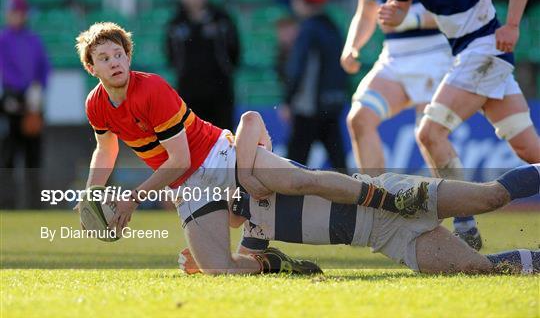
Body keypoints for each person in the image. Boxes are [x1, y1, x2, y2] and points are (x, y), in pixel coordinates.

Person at [75, 22, 427, 275]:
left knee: (305, 182)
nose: (115, 62)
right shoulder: (96, 104)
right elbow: (105, 150)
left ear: (128, 57)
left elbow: (180, 158)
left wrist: (133, 198)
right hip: (187, 183)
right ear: (92, 68)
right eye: (104, 58)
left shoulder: (151, 90)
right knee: (216, 266)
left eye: (119, 54)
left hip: (218, 155)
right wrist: (92, 193)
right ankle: (270, 261)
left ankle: (385, 196)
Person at [179, 113, 540, 276]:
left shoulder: (257, 170)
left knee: (491, 197)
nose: (221, 217)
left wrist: (241, 176)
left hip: (390, 195)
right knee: (476, 268)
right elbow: (239, 266)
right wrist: (206, 260)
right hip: (384, 236)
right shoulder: (254, 234)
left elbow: (250, 120)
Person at [378, 0, 540, 246]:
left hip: (485, 51)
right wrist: (394, 15)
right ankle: (465, 227)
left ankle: (465, 230)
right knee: (530, 150)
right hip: (475, 55)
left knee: (430, 133)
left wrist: (512, 25)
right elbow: (398, 8)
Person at [341, 0, 482, 249]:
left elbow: (456, 10)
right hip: (394, 59)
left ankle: (464, 218)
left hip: (435, 56)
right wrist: (352, 46)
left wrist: (408, 18)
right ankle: (379, 208)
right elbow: (367, 12)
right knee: (360, 119)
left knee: (429, 135)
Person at [281, 0, 348, 170]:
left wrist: (288, 99)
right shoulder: (333, 28)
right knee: (339, 162)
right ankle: (353, 197)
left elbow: (298, 68)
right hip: (332, 104)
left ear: (302, 2)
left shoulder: (308, 30)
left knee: (294, 163)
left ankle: (288, 199)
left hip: (308, 107)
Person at [165, 0, 240, 131]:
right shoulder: (175, 23)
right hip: (188, 92)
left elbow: (235, 52)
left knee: (223, 141)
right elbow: (170, 55)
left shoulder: (222, 19)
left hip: (220, 93)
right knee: (192, 141)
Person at [0, 0, 50, 209]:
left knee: (33, 156)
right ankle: (6, 204)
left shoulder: (33, 40)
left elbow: (44, 68)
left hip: (32, 101)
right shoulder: (2, 39)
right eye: (12, 13)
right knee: (8, 156)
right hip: (9, 101)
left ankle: (35, 205)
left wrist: (38, 88)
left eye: (18, 13)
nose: (15, 17)